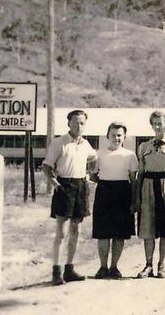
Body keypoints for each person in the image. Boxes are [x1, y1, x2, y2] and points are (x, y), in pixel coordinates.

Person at [42, 110, 97, 285]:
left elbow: (94, 158)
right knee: (62, 232)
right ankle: (56, 272)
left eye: (82, 123)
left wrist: (88, 175)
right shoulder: (59, 142)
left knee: (76, 230)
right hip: (64, 186)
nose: (78, 126)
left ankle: (69, 269)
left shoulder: (86, 144)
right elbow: (46, 166)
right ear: (68, 124)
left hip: (80, 186)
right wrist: (55, 183)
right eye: (75, 123)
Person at [135, 110, 165, 279]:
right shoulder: (144, 146)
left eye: (160, 124)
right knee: (148, 229)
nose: (157, 127)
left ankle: (161, 265)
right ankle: (148, 265)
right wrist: (137, 196)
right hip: (148, 187)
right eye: (154, 123)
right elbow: (140, 173)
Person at [90, 121, 139, 279]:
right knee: (103, 234)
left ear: (124, 137)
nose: (116, 138)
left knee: (119, 234)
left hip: (123, 193)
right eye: (113, 135)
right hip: (104, 193)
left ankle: (114, 267)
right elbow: (93, 175)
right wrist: (105, 184)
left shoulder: (130, 155)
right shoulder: (100, 153)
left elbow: (134, 179)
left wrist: (134, 201)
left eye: (119, 135)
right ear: (107, 136)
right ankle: (103, 267)